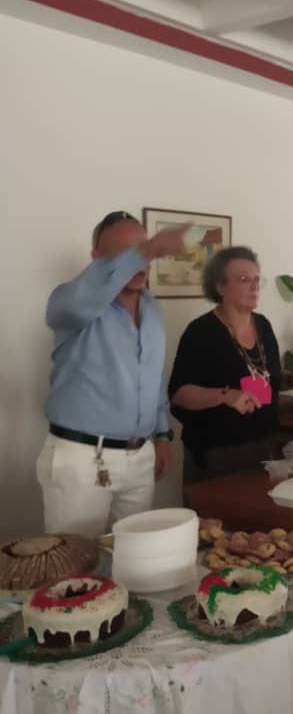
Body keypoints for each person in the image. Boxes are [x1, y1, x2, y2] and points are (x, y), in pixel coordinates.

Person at [37, 210, 193, 537]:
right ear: (96, 258)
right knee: (77, 568)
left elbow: (152, 378)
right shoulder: (69, 302)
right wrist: (149, 248)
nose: (139, 263)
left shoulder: (151, 309)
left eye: (143, 252)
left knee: (134, 561)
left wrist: (162, 435)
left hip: (139, 457)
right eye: (126, 254)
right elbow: (77, 305)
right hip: (82, 459)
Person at [169, 246, 293, 483]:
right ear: (220, 286)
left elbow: (264, 376)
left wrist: (292, 378)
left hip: (263, 445)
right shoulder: (201, 332)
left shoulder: (262, 325)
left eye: (256, 279)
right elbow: (178, 394)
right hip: (217, 452)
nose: (254, 286)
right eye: (244, 279)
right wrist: (225, 395)